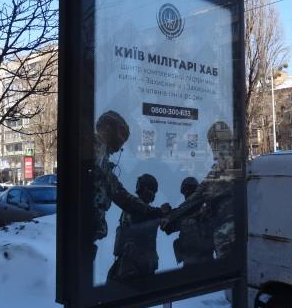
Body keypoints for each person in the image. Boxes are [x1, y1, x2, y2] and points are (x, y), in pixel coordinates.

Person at [93, 110, 169, 259]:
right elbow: (123, 197)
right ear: (109, 129)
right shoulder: (97, 152)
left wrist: (156, 212)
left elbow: (122, 196)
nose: (121, 144)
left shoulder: (100, 158)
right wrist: (157, 212)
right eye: (121, 136)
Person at [161, 121, 236, 263]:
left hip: (232, 238)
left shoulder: (237, 168)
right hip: (223, 240)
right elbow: (195, 199)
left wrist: (172, 217)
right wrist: (172, 216)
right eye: (212, 144)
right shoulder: (216, 172)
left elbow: (197, 199)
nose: (214, 149)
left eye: (215, 143)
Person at [107, 173, 162, 282]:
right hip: (127, 264)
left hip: (136, 267)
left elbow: (123, 196)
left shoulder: (145, 210)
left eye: (141, 185)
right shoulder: (139, 209)